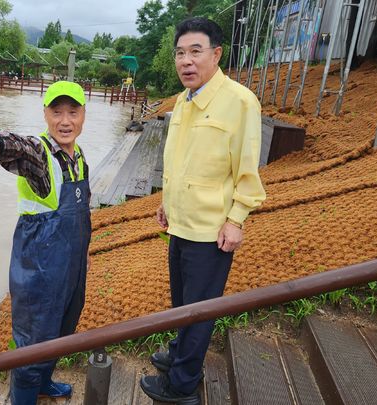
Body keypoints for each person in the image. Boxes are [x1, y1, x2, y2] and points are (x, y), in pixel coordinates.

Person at [139, 17, 266, 405]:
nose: (186, 61)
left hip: (211, 232)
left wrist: (236, 219)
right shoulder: (183, 101)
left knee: (199, 311)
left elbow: (247, 169)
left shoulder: (240, 102)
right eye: (180, 53)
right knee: (183, 303)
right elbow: (180, 162)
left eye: (196, 51)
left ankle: (181, 386)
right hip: (180, 223)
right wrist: (166, 203)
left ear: (216, 54)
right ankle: (179, 354)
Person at [0, 81, 91, 404]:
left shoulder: (79, 158)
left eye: (72, 112)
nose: (65, 120)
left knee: (63, 329)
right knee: (34, 340)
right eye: (56, 112)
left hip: (71, 269)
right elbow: (20, 147)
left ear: (83, 116)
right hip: (39, 273)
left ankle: (45, 382)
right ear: (45, 114)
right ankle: (23, 398)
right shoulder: (41, 156)